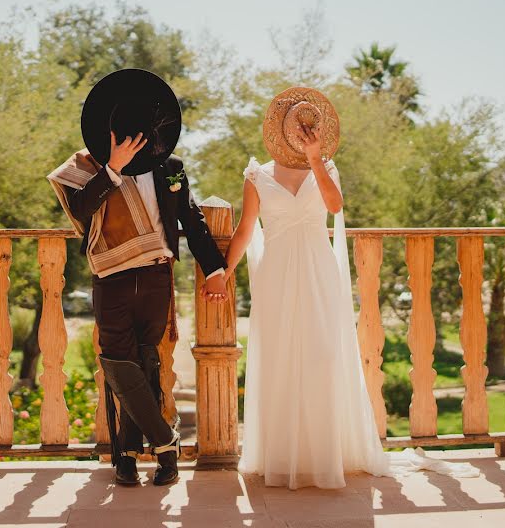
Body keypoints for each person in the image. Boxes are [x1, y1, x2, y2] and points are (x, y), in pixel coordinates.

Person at [220, 87, 478, 489]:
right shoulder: (257, 175)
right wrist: (223, 271)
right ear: (279, 129)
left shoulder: (327, 167)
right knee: (280, 356)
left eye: (308, 128)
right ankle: (282, 455)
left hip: (319, 272)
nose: (302, 133)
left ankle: (326, 453)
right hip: (276, 276)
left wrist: (315, 160)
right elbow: (245, 230)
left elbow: (335, 206)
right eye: (296, 128)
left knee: (323, 355)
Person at [48, 69, 227, 487]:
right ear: (108, 127)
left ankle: (130, 455)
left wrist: (215, 269)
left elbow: (193, 220)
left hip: (155, 277)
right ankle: (162, 445)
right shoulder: (88, 167)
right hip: (110, 279)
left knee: (147, 364)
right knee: (118, 364)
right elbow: (80, 209)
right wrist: (113, 168)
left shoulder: (171, 167)